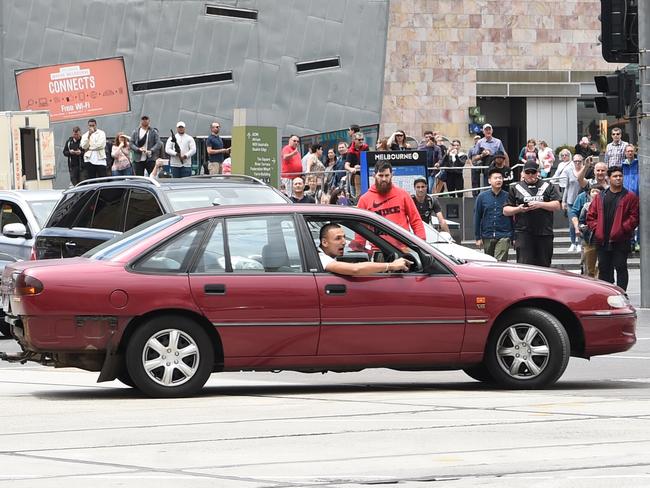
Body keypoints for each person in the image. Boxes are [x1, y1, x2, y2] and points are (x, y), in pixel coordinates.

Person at [587, 166, 639, 290]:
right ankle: (607, 295)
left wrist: (622, 229)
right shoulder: (600, 196)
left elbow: (634, 217)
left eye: (620, 176)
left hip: (621, 240)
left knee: (621, 267)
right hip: (602, 240)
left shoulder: (630, 196)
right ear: (609, 178)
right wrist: (597, 228)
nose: (618, 178)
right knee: (604, 269)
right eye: (615, 176)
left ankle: (621, 294)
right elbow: (591, 215)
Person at [354, 161, 426, 250]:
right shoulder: (365, 199)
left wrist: (422, 246)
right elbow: (360, 231)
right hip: (378, 252)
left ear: (392, 175)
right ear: (374, 175)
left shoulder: (403, 195)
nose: (384, 179)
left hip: (403, 250)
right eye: (380, 175)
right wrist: (357, 253)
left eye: (387, 175)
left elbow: (416, 221)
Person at [503, 160, 561, 267]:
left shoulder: (548, 186)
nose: (530, 175)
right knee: (524, 266)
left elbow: (557, 205)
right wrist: (519, 209)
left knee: (544, 266)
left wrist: (540, 204)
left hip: (544, 233)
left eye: (533, 172)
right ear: (523, 173)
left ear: (538, 172)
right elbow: (505, 210)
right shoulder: (515, 188)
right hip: (523, 233)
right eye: (527, 172)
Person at [318, 223, 411, 275]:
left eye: (344, 237)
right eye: (338, 238)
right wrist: (391, 265)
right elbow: (355, 269)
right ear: (324, 242)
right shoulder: (321, 258)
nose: (344, 242)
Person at [474, 167, 514, 262]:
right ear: (489, 181)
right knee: (490, 262)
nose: (498, 180)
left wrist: (514, 236)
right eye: (495, 178)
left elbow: (513, 217)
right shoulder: (482, 197)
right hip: (487, 235)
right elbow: (477, 217)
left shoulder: (508, 196)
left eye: (500, 178)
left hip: (504, 234)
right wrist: (477, 237)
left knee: (499, 262)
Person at [572, 184, 602, 278]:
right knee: (589, 266)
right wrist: (585, 229)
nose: (595, 193)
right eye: (593, 191)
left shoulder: (605, 205)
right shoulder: (586, 206)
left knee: (601, 266)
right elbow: (581, 221)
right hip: (589, 238)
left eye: (597, 191)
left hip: (602, 238)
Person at [471, 124, 508, 195]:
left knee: (500, 188)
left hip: (497, 168)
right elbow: (474, 158)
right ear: (483, 132)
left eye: (489, 129)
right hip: (486, 169)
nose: (488, 131)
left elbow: (504, 154)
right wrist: (482, 155)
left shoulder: (498, 141)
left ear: (492, 131)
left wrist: (507, 167)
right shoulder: (480, 142)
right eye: (486, 130)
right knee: (486, 188)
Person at [562, 154, 588, 252]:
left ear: (582, 161)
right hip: (570, 200)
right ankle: (573, 242)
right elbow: (567, 186)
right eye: (575, 161)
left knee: (581, 223)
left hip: (582, 201)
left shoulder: (585, 171)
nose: (577, 163)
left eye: (579, 161)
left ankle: (580, 242)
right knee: (572, 224)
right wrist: (563, 201)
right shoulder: (569, 171)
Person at [345, 132, 369, 198]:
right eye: (359, 140)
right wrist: (351, 169)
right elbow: (346, 165)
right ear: (354, 140)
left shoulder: (365, 148)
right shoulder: (350, 151)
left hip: (365, 174)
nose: (361, 141)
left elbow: (369, 160)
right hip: (355, 175)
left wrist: (362, 166)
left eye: (362, 139)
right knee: (356, 194)